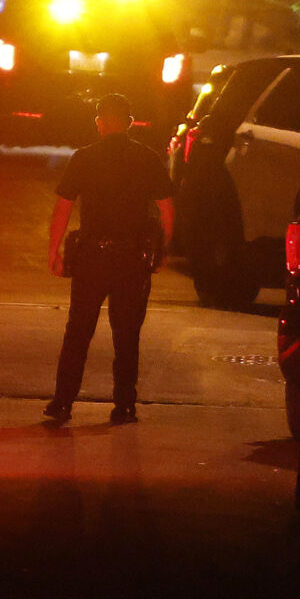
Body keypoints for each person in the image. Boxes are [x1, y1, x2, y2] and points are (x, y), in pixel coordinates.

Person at [43, 93, 174, 425]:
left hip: (91, 258)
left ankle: (62, 403)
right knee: (127, 335)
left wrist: (54, 249)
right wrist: (161, 249)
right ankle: (125, 406)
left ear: (99, 122)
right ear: (130, 124)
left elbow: (63, 207)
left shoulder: (84, 158)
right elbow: (167, 208)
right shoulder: (148, 158)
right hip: (132, 260)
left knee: (78, 331)